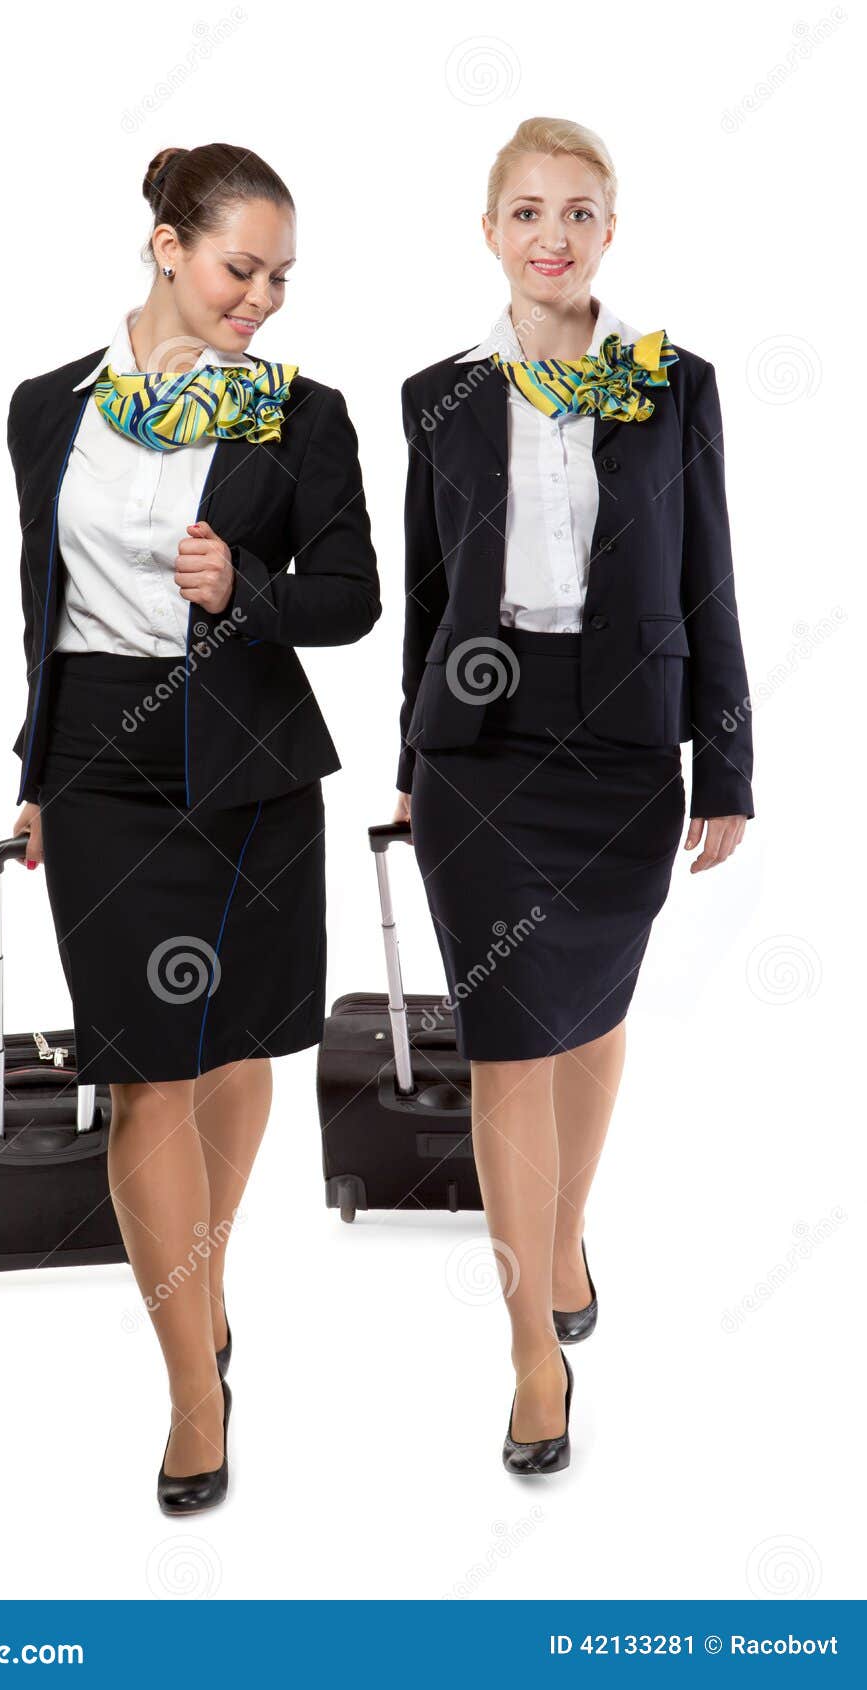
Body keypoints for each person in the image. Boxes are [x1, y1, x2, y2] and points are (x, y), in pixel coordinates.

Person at [6, 143, 381, 1513]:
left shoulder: (304, 415)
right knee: (143, 1066)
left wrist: (249, 585)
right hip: (101, 767)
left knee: (230, 1043)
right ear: (166, 245)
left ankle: (199, 1278)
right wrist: (37, 770)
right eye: (241, 267)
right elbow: (37, 606)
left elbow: (354, 594)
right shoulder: (47, 408)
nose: (263, 298)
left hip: (247, 760)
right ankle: (191, 1387)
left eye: (282, 276)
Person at [393, 116, 753, 1475]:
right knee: (505, 1042)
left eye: (581, 211)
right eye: (528, 211)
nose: (554, 233)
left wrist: (727, 758)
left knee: (591, 1017)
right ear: (492, 233)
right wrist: (409, 763)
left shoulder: (675, 385)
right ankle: (532, 1353)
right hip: (477, 752)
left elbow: (711, 572)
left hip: (622, 751)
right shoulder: (437, 391)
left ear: (611, 231)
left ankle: (560, 1236)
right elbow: (428, 595)